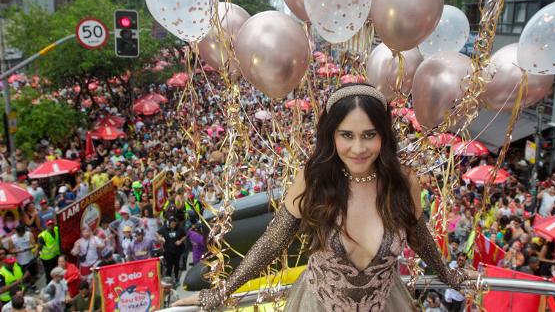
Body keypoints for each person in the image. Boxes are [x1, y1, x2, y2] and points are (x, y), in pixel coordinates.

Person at [174, 84, 480, 310]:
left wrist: (449, 275)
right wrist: (221, 291)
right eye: (347, 135)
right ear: (331, 136)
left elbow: (419, 237)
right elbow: (273, 241)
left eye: (369, 135)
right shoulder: (313, 179)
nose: (358, 148)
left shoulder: (403, 182)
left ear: (384, 136)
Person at [157, 216, 186, 283]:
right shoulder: (164, 228)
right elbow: (157, 233)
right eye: (172, 224)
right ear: (169, 223)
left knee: (177, 265)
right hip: (168, 250)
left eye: (174, 224)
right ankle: (168, 278)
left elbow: (184, 235)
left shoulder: (179, 229)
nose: (173, 225)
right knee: (169, 265)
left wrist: (180, 241)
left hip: (177, 250)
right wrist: (160, 238)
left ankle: (176, 278)